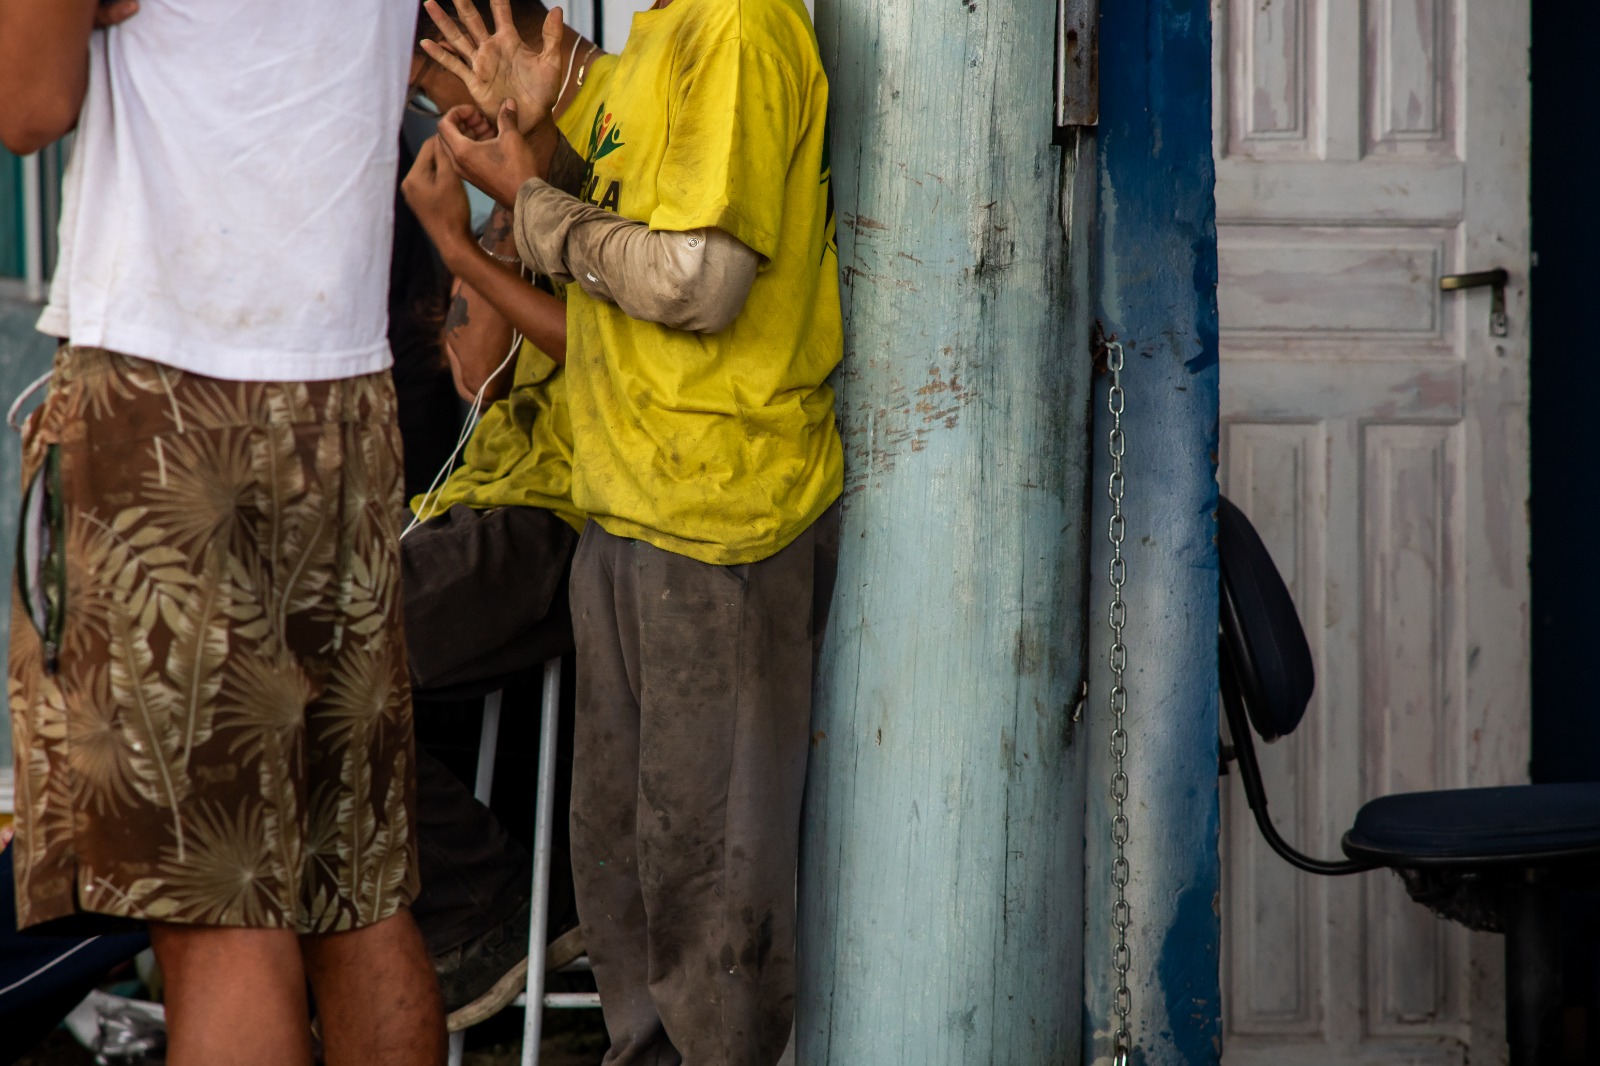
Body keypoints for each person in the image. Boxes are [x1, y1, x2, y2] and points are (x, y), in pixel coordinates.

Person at [0, 3, 443, 1064]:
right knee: (353, 890)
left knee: (213, 907)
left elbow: (28, 101)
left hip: (168, 396)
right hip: (343, 388)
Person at [421, 0, 845, 1061]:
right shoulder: (663, 37)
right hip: (628, 501)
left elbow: (700, 281)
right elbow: (610, 199)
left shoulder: (739, 29)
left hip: (718, 519)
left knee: (709, 909)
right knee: (626, 881)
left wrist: (529, 211)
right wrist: (548, 109)